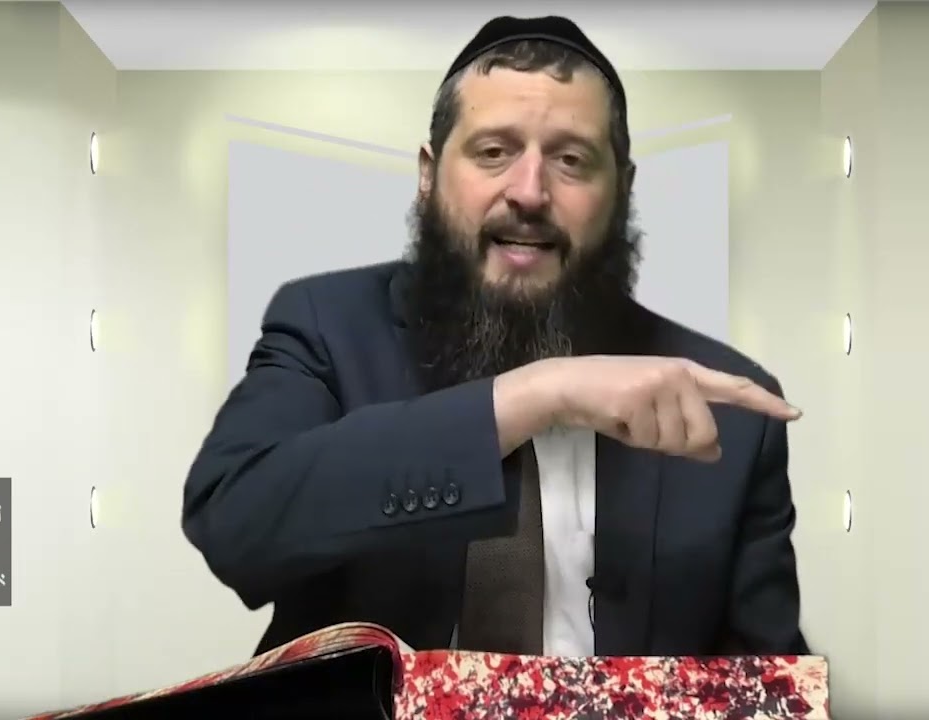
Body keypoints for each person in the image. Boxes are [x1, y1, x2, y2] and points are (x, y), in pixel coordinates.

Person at [182, 15, 810, 659]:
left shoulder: (727, 413)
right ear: (429, 173)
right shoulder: (327, 324)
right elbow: (234, 523)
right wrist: (539, 394)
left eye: (571, 160)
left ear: (623, 189)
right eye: (493, 152)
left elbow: (772, 682)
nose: (529, 192)